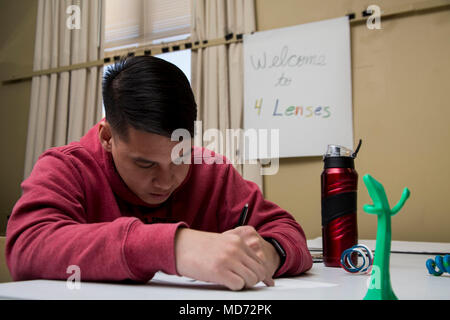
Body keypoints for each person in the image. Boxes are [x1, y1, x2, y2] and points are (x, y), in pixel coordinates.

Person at [6, 56, 312, 291]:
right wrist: (173, 246)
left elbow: (286, 230)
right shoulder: (66, 167)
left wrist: (269, 255)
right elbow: (26, 248)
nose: (167, 181)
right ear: (108, 138)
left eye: (181, 157)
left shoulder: (213, 171)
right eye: (145, 164)